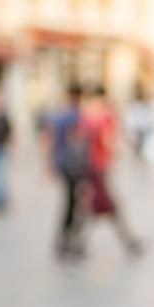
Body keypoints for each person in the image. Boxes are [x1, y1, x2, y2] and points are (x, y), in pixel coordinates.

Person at [80, 86, 143, 256]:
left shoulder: (87, 115)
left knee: (95, 205)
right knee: (105, 204)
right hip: (100, 165)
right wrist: (119, 149)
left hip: (91, 165)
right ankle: (129, 241)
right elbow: (108, 139)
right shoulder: (106, 115)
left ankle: (78, 242)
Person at [48, 85, 88, 257]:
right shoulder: (78, 116)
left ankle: (66, 238)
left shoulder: (61, 116)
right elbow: (81, 141)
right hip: (76, 166)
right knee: (76, 203)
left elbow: (53, 141)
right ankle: (70, 239)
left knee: (71, 202)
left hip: (65, 164)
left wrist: (51, 164)